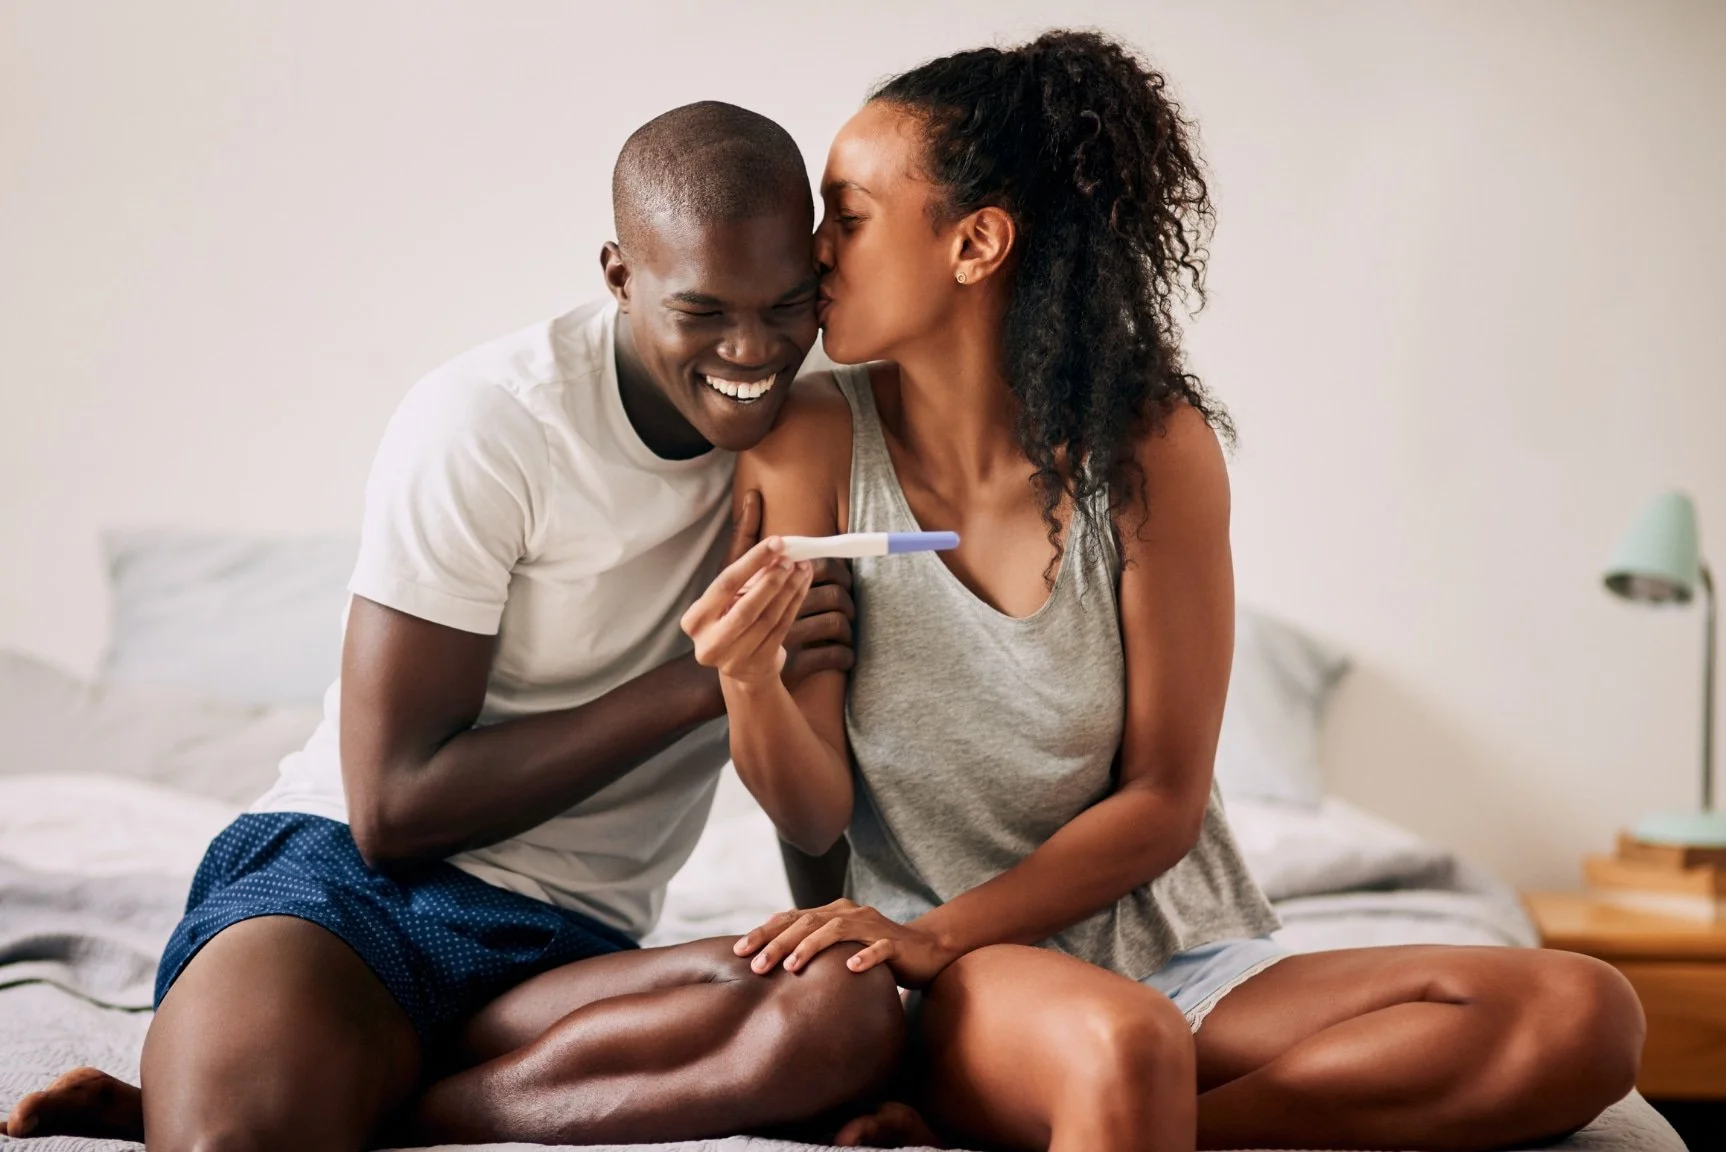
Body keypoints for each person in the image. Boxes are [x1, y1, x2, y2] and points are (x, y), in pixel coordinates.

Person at [679, 33, 1647, 1152]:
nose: (813, 250)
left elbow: (1162, 800)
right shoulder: (808, 438)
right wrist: (746, 680)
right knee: (1123, 1044)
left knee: (1581, 1011)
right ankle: (1085, 1096)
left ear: (975, 243)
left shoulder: (1150, 447)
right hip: (958, 974)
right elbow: (811, 813)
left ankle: (1124, 1126)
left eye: (847, 217)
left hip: (1179, 957)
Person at [4, 101, 904, 1151]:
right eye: (701, 310)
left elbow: (809, 777)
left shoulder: (809, 436)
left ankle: (376, 1104)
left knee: (843, 1002)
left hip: (569, 952)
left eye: (786, 304)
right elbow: (393, 809)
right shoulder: (492, 420)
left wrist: (838, 932)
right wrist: (701, 685)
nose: (751, 349)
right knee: (237, 1139)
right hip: (347, 896)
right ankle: (303, 1088)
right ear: (620, 276)